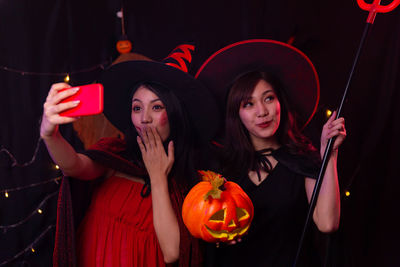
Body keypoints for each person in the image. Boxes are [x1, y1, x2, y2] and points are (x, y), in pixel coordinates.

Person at [40, 45, 220, 267]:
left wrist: (157, 176)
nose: (144, 118)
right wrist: (50, 135)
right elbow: (75, 166)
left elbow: (173, 252)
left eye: (157, 107)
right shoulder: (116, 156)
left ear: (174, 114)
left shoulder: (194, 183)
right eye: (137, 108)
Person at [195, 40, 346, 266]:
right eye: (248, 104)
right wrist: (218, 236)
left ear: (280, 103)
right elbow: (200, 225)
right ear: (237, 113)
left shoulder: (303, 160)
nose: (262, 112)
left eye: (268, 98)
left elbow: (327, 223)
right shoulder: (220, 168)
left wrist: (329, 155)